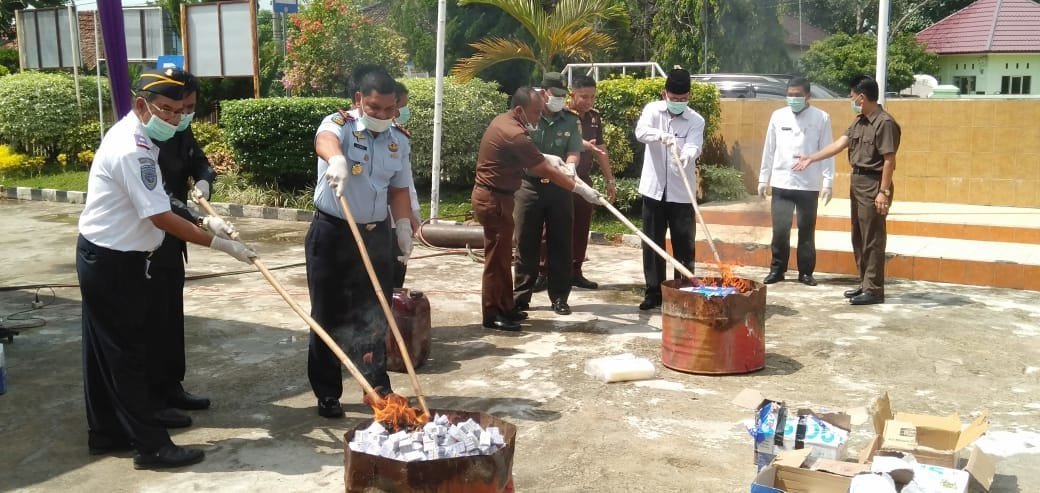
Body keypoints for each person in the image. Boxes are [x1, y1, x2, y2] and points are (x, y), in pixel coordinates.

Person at [77, 68, 255, 469]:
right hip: (113, 262)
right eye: (167, 109)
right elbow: (159, 216)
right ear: (142, 105)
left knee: (107, 353)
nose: (175, 118)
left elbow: (159, 198)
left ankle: (106, 432)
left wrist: (204, 220)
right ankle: (152, 446)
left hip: (109, 255)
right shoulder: (133, 148)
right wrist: (220, 243)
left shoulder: (137, 137)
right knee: (126, 356)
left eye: (181, 110)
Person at [308, 68, 414, 418]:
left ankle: (377, 386)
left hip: (375, 234)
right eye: (374, 108)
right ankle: (327, 392)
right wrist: (336, 159)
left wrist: (402, 227)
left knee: (375, 312)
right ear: (359, 101)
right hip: (334, 231)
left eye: (389, 109)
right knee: (327, 313)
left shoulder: (399, 139)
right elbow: (325, 140)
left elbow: (398, 189)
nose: (382, 115)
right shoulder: (339, 124)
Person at [471, 87, 602, 331]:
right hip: (494, 199)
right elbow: (544, 169)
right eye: (535, 112)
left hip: (500, 197)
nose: (538, 117)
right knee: (498, 261)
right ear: (519, 110)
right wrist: (581, 190)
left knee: (504, 257)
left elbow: (535, 158)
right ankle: (493, 313)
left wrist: (550, 159)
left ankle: (506, 307)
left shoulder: (506, 121)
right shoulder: (514, 133)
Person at [146, 68, 219, 430]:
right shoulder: (143, 138)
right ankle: (153, 399)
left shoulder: (179, 127)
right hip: (148, 240)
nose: (183, 115)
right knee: (151, 320)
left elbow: (199, 161)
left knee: (171, 316)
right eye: (179, 107)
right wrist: (200, 222)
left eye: (190, 108)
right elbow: (158, 198)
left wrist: (204, 181)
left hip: (175, 239)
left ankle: (172, 386)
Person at [795, 75, 900, 305]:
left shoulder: (884, 123)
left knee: (872, 238)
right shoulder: (859, 121)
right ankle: (865, 283)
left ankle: (874, 290)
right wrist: (812, 158)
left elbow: (889, 160)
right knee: (859, 236)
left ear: (862, 97)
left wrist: (883, 192)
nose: (851, 100)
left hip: (874, 183)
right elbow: (840, 144)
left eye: (852, 97)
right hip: (858, 181)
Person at [513, 72, 584, 316]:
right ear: (544, 93)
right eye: (556, 95)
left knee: (561, 244)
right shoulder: (527, 116)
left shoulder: (571, 120)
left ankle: (560, 297)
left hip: (559, 187)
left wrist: (571, 166)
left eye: (564, 96)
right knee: (525, 242)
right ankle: (521, 297)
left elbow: (574, 150)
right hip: (529, 186)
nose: (560, 100)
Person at [633, 68, 704, 311]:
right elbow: (641, 132)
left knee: (684, 244)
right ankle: (653, 292)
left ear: (689, 96)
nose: (678, 102)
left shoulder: (696, 120)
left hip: (682, 194)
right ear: (665, 94)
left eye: (683, 99)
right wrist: (661, 135)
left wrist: (687, 154)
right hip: (654, 190)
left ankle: (683, 291)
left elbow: (695, 145)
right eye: (674, 99)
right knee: (652, 243)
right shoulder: (652, 111)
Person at [758, 76, 835, 287]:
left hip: (808, 184)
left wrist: (828, 182)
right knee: (780, 230)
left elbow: (827, 150)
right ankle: (777, 269)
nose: (793, 99)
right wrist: (763, 178)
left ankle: (806, 272)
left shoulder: (821, 117)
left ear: (807, 96)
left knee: (806, 230)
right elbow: (769, 149)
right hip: (782, 182)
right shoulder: (778, 116)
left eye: (798, 95)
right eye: (790, 95)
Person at [567, 75, 617, 289]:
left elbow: (601, 150)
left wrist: (610, 179)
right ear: (572, 95)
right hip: (560, 178)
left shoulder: (594, 117)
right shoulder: (561, 115)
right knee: (550, 228)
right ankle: (544, 272)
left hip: (583, 179)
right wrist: (582, 144)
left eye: (592, 97)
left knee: (581, 225)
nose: (589, 101)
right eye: (584, 96)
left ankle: (575, 271)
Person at [390, 80, 422, 289]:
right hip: (387, 221)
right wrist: (409, 219)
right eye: (403, 106)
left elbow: (405, 182)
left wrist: (413, 217)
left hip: (402, 216)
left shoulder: (399, 136)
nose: (404, 111)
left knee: (397, 277)